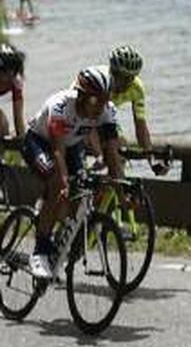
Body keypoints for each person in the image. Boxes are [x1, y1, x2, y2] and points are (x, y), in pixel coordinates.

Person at [23, 67, 122, 280]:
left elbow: (112, 152)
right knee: (58, 184)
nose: (100, 108)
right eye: (95, 101)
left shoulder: (106, 110)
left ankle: (55, 232)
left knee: (80, 199)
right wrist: (64, 182)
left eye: (105, 100)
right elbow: (57, 150)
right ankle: (40, 250)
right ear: (82, 95)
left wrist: (121, 188)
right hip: (40, 142)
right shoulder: (60, 106)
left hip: (72, 145)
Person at [107, 43, 159, 163]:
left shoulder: (136, 87)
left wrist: (151, 159)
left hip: (104, 114)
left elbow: (140, 124)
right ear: (112, 72)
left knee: (121, 148)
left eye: (130, 78)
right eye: (123, 77)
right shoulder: (102, 83)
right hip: (81, 113)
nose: (126, 84)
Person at [0, 41, 24, 140]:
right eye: (5, 72)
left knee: (3, 126)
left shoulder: (15, 83)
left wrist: (22, 140)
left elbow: (18, 117)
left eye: (13, 71)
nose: (9, 77)